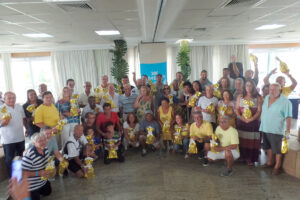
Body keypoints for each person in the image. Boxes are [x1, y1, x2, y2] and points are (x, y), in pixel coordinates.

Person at [259, 83, 292, 175]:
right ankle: (270, 162)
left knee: (277, 149)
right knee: (267, 147)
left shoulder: (285, 102)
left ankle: (277, 166)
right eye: (270, 89)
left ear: (280, 90)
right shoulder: (267, 98)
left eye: (274, 89)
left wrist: (288, 131)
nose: (271, 91)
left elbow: (288, 117)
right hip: (265, 127)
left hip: (277, 129)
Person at [235, 80, 262, 166]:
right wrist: (241, 117)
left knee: (252, 141)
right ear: (244, 87)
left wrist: (251, 119)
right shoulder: (240, 96)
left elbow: (259, 111)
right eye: (247, 85)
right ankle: (242, 157)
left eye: (250, 85)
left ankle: (251, 159)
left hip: (253, 123)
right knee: (241, 140)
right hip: (241, 122)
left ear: (253, 87)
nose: (248, 87)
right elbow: (236, 109)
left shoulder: (258, 97)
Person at [0, 92, 27, 176]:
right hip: (8, 140)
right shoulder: (1, 108)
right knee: (9, 160)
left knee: (20, 157)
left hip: (20, 137)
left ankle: (20, 176)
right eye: (9, 98)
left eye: (13, 97)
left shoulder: (19, 106)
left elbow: (23, 119)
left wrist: (26, 128)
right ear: (4, 99)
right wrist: (2, 123)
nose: (12, 99)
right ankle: (12, 178)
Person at [22, 132, 52, 200]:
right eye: (40, 141)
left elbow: (47, 163)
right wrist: (39, 173)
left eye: (44, 140)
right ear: (34, 143)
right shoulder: (29, 155)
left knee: (48, 192)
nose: (43, 142)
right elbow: (21, 173)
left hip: (42, 181)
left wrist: (52, 170)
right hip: (31, 185)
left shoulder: (45, 149)